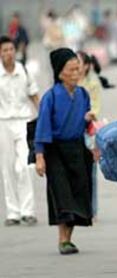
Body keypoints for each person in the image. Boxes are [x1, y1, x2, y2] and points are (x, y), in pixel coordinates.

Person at [35, 48, 95, 255]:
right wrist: (40, 156)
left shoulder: (83, 94)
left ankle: (69, 238)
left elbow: (87, 125)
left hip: (77, 148)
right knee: (62, 194)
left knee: (78, 192)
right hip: (55, 150)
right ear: (60, 72)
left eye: (78, 69)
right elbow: (42, 128)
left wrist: (90, 123)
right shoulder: (50, 97)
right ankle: (62, 239)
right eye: (72, 69)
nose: (77, 73)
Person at [0, 35, 39, 226]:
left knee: (24, 166)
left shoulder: (24, 70)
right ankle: (13, 212)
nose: (8, 53)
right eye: (5, 50)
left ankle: (28, 210)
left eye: (11, 49)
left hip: (24, 121)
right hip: (3, 122)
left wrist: (43, 118)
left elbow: (34, 95)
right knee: (7, 168)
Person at [78, 51, 103, 220]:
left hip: (88, 131)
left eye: (78, 62)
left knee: (90, 173)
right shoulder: (67, 81)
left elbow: (95, 109)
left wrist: (83, 115)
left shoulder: (92, 83)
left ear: (86, 65)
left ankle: (91, 209)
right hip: (72, 132)